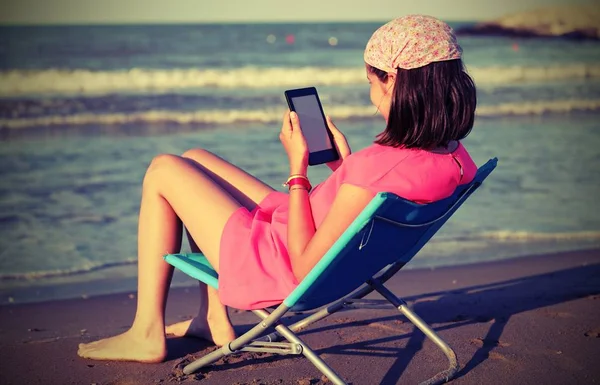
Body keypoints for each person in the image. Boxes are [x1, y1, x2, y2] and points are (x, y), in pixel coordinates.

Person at [77, 14, 478, 363]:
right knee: (194, 157)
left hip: (275, 262)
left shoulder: (375, 167)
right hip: (296, 228)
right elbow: (371, 194)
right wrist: (344, 166)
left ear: (392, 81)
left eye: (371, 81)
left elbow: (304, 267)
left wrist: (298, 168)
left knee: (163, 169)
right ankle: (213, 318)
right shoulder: (454, 160)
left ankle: (147, 331)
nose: (371, 94)